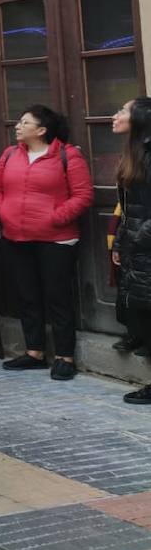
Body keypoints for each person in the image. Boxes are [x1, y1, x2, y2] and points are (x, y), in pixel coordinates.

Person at [0, 104, 94, 381]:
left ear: (42, 129)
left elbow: (82, 196)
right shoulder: (9, 154)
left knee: (58, 297)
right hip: (15, 236)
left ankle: (64, 357)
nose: (18, 126)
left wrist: (56, 218)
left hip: (56, 239)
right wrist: (1, 212)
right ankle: (34, 352)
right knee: (27, 295)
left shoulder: (67, 155)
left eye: (25, 122)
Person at [112, 98, 151, 404]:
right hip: (137, 252)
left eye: (123, 111)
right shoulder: (134, 154)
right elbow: (128, 209)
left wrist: (137, 237)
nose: (116, 116)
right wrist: (123, 243)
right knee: (141, 315)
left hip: (145, 248)